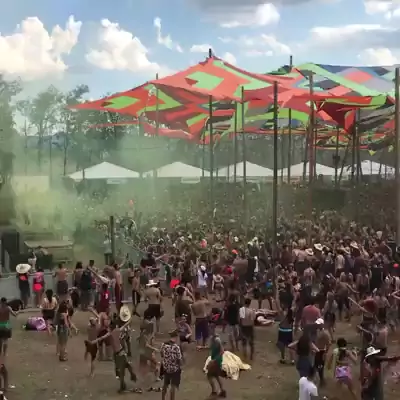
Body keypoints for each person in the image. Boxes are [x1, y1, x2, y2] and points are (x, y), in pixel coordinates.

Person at [160, 330, 182, 400]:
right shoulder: (176, 347)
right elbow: (179, 359)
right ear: (176, 337)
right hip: (174, 369)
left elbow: (161, 354)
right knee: (173, 386)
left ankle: (163, 398)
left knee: (165, 384)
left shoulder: (164, 345)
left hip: (166, 368)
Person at [206, 332, 226, 398]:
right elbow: (210, 347)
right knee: (217, 376)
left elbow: (222, 351)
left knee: (209, 376)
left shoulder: (217, 341)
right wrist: (202, 347)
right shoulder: (214, 342)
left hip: (216, 362)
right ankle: (222, 391)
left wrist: (214, 360)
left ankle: (214, 391)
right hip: (216, 361)